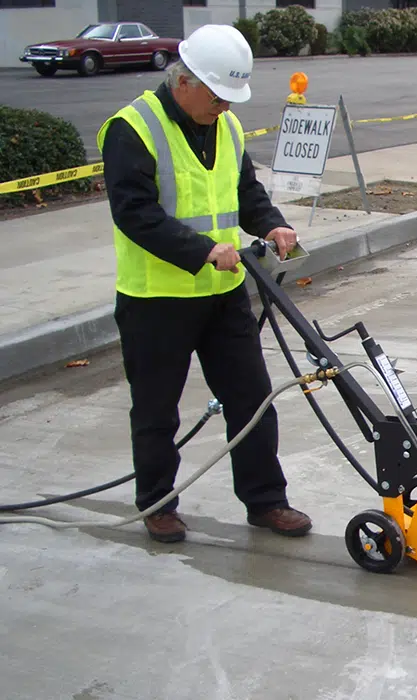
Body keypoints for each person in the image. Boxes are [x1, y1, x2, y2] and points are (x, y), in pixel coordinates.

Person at [97, 24, 312, 543]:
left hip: (222, 294)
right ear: (184, 81)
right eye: (218, 97)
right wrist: (202, 251)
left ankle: (265, 501)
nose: (225, 108)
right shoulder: (133, 128)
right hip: (156, 301)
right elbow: (135, 214)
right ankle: (158, 504)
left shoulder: (226, 126)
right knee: (155, 411)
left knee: (252, 398)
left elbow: (245, 191)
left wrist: (272, 223)